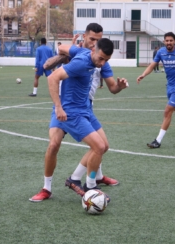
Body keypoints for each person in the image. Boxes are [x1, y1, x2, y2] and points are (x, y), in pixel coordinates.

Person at [30, 23, 128, 202]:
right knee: (55, 145)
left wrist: (119, 87)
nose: (94, 43)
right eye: (92, 40)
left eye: (97, 41)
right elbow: (53, 72)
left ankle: (78, 179)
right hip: (67, 109)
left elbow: (112, 87)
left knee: (102, 146)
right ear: (86, 38)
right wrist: (59, 107)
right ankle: (54, 187)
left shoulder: (94, 58)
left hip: (84, 108)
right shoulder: (82, 58)